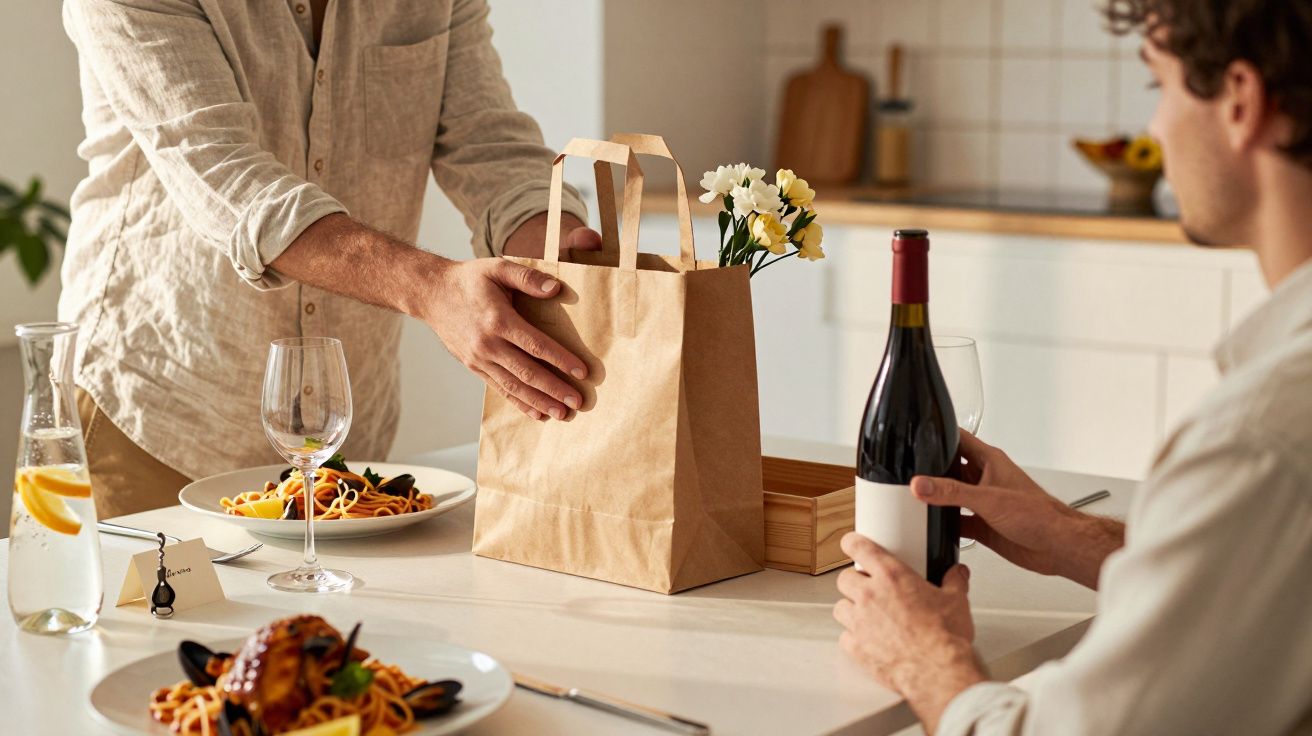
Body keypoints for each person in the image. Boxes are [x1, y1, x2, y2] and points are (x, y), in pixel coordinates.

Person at [833, 1, 1312, 733]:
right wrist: (1066, 534)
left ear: (1241, 102)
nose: (1154, 129)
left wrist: (923, 658)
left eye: (1160, 88)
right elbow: (1265, 581)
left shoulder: (1262, 437)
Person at [60, 0, 600, 519]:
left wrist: (561, 252)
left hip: (344, 434)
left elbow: (488, 143)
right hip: (156, 417)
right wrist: (433, 289)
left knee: (330, 618)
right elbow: (226, 175)